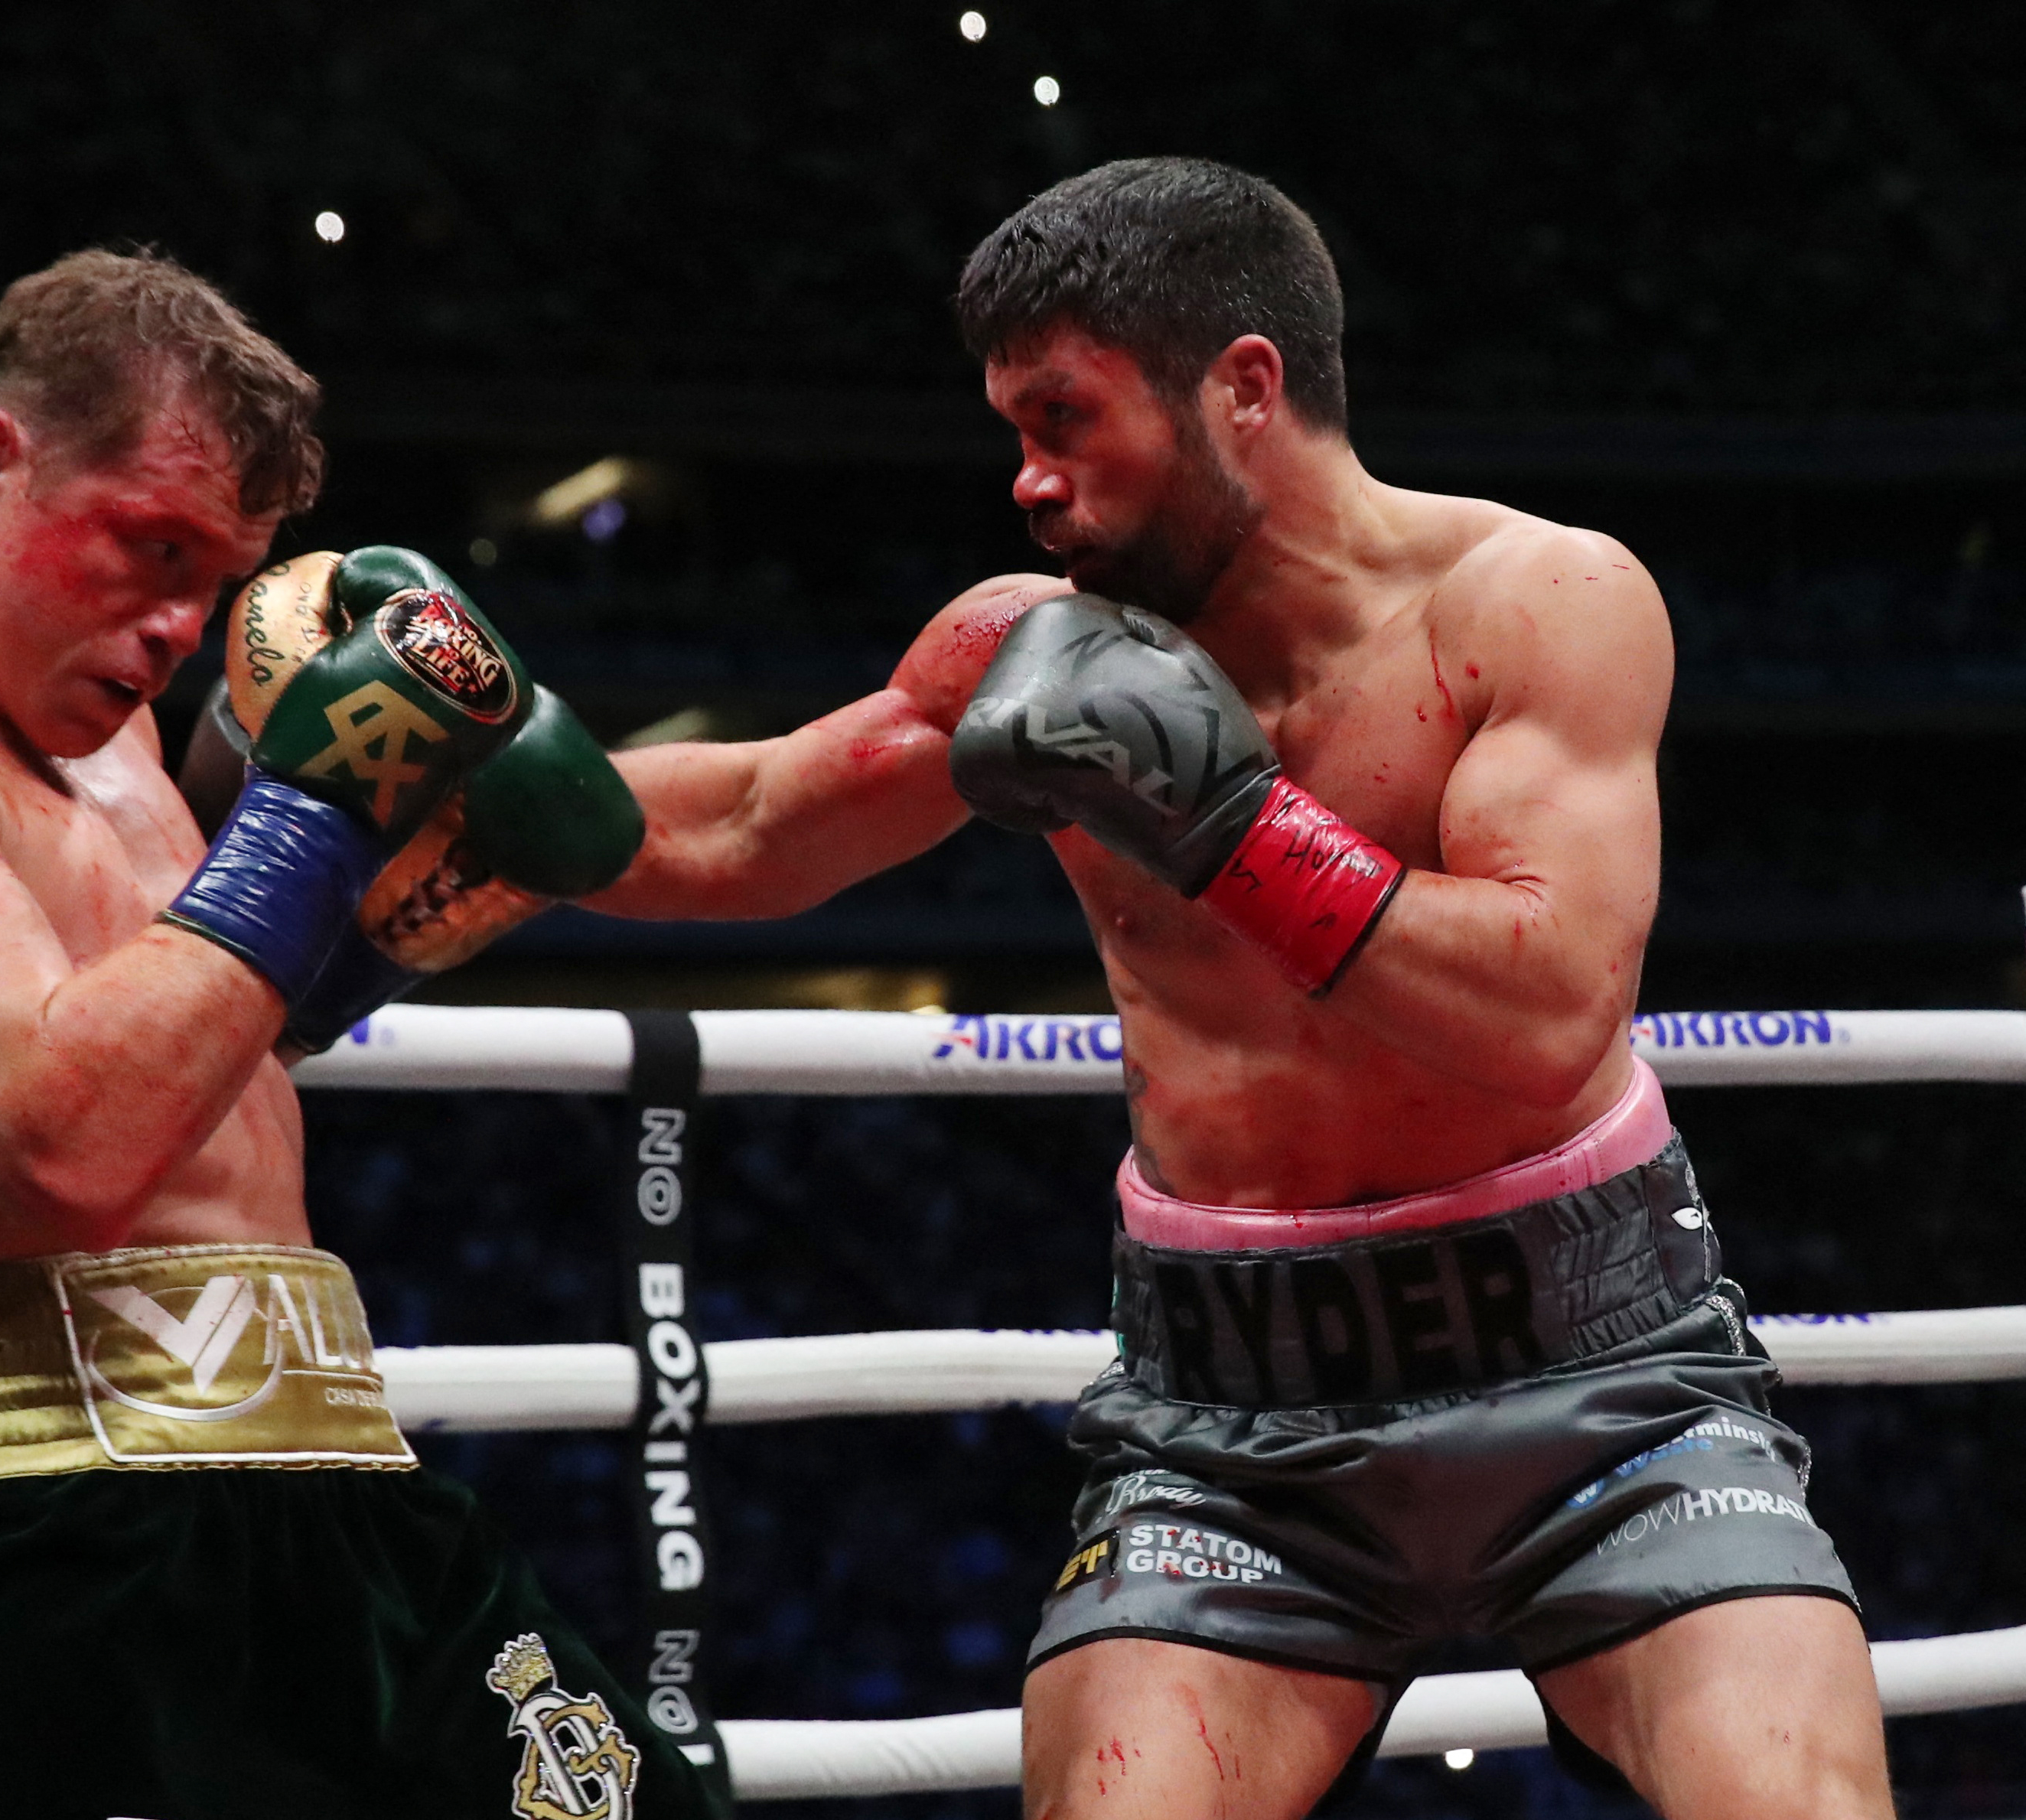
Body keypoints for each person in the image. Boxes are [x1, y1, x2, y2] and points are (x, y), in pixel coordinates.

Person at [585, 159, 1890, 1818]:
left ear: (1245, 388)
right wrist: (466, 780)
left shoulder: (1536, 603)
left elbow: (1547, 1000)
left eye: (1067, 420)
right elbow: (752, 822)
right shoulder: (1031, 646)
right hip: (1227, 1424)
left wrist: (1229, 824)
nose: (1031, 484)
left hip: (1605, 1387)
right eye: (1015, 430)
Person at [0, 249, 711, 1820]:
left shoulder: (101, 747)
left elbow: (207, 1048)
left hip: (340, 1498)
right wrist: (323, 802)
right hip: (63, 1532)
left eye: (218, 574)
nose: (181, 624)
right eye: (147, 546)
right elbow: (67, 1136)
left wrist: (429, 900)